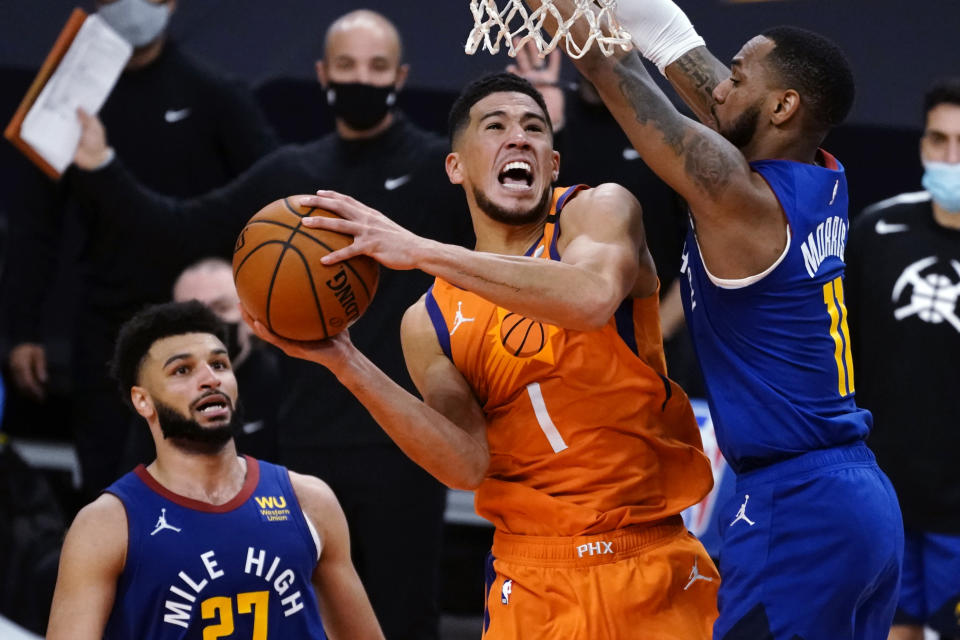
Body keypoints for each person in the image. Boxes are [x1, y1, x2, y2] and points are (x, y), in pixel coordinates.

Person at [248, 72, 719, 640]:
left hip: (646, 561)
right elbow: (465, 463)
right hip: (531, 579)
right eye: (495, 127)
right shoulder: (430, 322)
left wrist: (420, 250)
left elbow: (592, 295)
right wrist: (344, 361)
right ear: (456, 167)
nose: (518, 138)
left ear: (552, 164)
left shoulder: (597, 212)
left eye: (534, 128)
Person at [66, 11, 473, 638]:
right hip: (308, 435)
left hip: (407, 443)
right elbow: (176, 227)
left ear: (401, 76)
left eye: (375, 67)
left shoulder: (435, 171)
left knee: (401, 619)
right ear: (322, 75)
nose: (360, 79)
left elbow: (501, 254)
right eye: (346, 66)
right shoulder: (290, 176)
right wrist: (102, 165)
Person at [517, 0, 906, 637]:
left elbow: (612, 66)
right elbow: (676, 47)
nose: (719, 83)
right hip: (859, 500)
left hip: (798, 505)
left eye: (737, 73)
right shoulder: (811, 174)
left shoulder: (737, 195)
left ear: (781, 107)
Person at [3, 0, 277, 500]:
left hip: (198, 330)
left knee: (206, 486)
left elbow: (273, 206)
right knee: (109, 490)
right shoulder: (67, 97)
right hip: (106, 328)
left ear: (170, 4)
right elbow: (32, 221)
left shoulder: (215, 93)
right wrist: (22, 328)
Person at [45, 301, 383, 639]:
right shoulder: (106, 525)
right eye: (182, 370)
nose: (210, 379)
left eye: (219, 364)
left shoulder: (308, 500)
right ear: (142, 400)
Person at [846, 78, 960, 640]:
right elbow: (843, 357)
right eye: (938, 140)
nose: (950, 158)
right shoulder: (877, 228)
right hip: (884, 492)